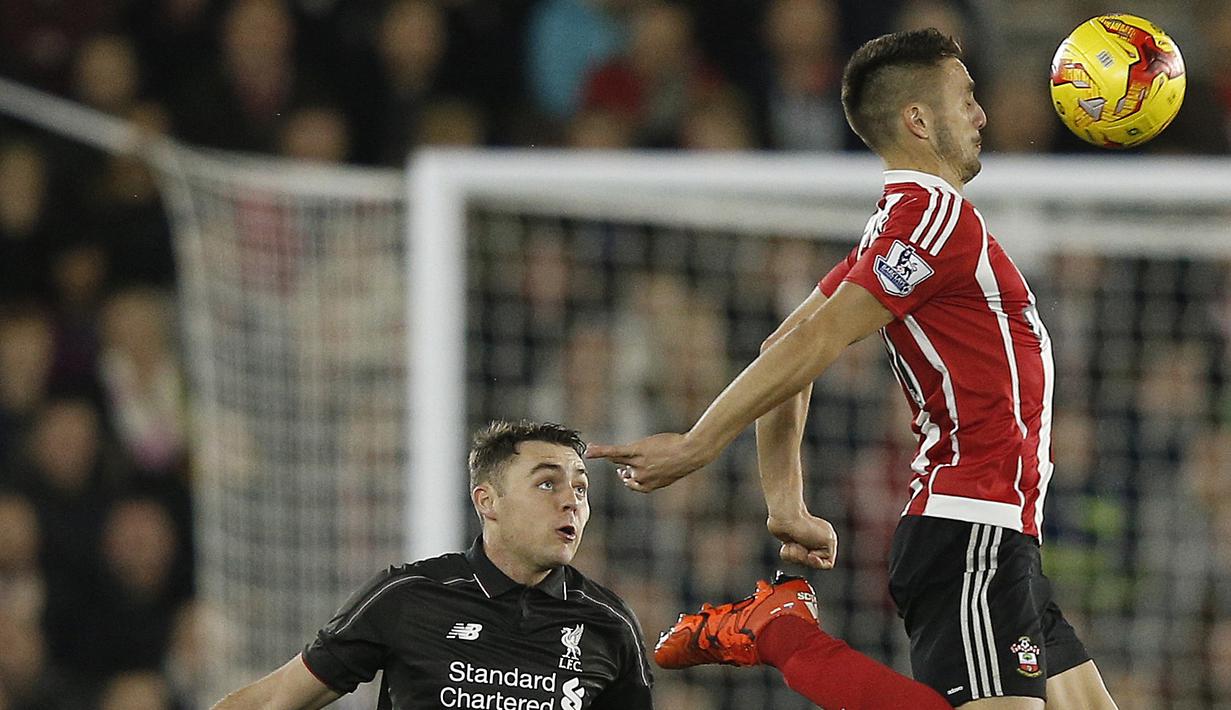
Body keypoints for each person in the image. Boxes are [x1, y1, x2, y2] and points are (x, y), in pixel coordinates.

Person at [587, 28, 1118, 710]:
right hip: (969, 528)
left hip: (1001, 533)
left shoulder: (894, 229)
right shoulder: (930, 218)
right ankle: (785, 635)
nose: (981, 115)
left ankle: (777, 624)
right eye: (966, 98)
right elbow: (808, 345)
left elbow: (786, 344)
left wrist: (785, 504)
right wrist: (698, 442)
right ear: (917, 120)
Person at [212, 420, 654, 709]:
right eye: (546, 484)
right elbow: (274, 701)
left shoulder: (608, 624)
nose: (570, 502)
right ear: (488, 501)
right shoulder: (409, 596)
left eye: (580, 489)